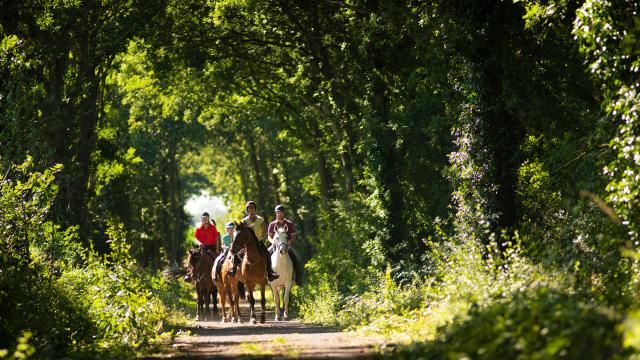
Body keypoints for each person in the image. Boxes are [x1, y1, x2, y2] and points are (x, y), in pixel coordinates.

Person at [228, 201, 279, 281]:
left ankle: (270, 273)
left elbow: (264, 231)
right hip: (247, 243)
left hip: (258, 242)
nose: (251, 209)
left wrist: (259, 238)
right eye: (249, 208)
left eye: (252, 208)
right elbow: (242, 232)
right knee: (238, 254)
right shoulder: (244, 221)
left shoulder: (260, 219)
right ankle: (233, 269)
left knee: (267, 254)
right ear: (247, 210)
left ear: (255, 209)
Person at [184, 212, 220, 282]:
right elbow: (196, 237)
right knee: (193, 256)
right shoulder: (199, 228)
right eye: (203, 218)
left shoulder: (212, 227)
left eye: (206, 218)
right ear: (201, 219)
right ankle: (189, 273)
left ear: (208, 219)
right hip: (203, 246)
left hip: (212, 247)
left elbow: (216, 238)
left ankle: (218, 274)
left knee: (216, 258)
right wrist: (200, 243)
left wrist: (217, 248)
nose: (205, 220)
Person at [267, 205, 300, 282]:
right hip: (275, 245)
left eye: (281, 213)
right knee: (266, 255)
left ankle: (295, 276)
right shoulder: (272, 224)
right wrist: (273, 242)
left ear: (284, 213)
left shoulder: (289, 223)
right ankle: (268, 275)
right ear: (275, 214)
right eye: (278, 213)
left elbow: (293, 236)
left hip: (286, 246)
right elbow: (269, 236)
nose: (279, 214)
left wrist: (289, 242)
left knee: (296, 257)